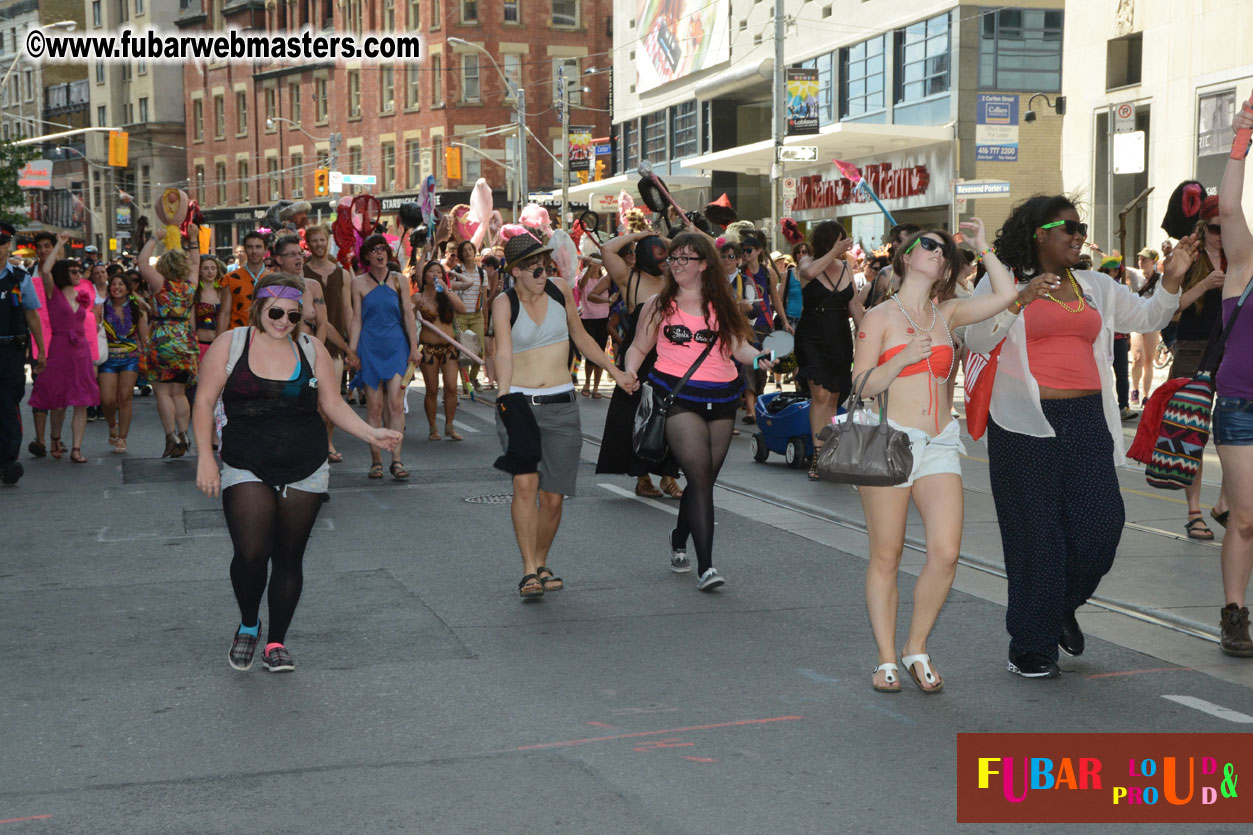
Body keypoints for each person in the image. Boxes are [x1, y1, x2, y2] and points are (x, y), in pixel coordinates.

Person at [964, 195, 1195, 679]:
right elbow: (977, 339)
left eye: (1081, 226)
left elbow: (1150, 317)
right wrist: (1017, 301)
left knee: (1101, 528)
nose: (1077, 234)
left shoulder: (1093, 286)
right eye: (1067, 227)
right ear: (1038, 233)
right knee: (1036, 539)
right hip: (1024, 422)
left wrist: (1171, 280)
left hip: (1087, 420)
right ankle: (1031, 644)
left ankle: (1055, 608)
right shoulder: (1001, 281)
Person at [193, 273, 402, 673]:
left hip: (305, 463)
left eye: (293, 316)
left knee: (289, 558)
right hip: (245, 460)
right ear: (258, 307)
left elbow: (333, 405)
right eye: (275, 312)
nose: (283, 322)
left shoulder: (312, 348)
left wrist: (370, 434)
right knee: (252, 554)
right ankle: (249, 624)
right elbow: (204, 402)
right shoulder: (231, 344)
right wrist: (205, 456)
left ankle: (276, 641)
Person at [851, 220, 1018, 693]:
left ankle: (915, 647)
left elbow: (1006, 296)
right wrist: (901, 359)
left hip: (940, 439)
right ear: (905, 257)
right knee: (887, 554)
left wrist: (983, 247)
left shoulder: (947, 313)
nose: (937, 252)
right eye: (928, 245)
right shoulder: (879, 317)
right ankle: (885, 657)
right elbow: (861, 387)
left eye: (944, 250)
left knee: (945, 553)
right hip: (890, 440)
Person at [492, 234, 637, 598]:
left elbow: (582, 337)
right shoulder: (503, 303)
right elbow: (504, 353)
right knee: (525, 486)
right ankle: (528, 569)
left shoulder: (559, 290)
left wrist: (615, 372)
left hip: (561, 402)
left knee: (553, 496)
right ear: (517, 272)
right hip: (521, 403)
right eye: (535, 266)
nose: (544, 271)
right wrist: (503, 396)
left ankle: (541, 560)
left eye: (546, 263)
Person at [625, 232, 770, 590]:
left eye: (684, 259)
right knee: (700, 479)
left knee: (702, 481)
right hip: (678, 398)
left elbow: (740, 348)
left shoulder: (722, 304)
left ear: (704, 264)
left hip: (722, 399)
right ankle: (706, 566)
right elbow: (639, 348)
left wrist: (761, 358)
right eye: (672, 258)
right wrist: (628, 373)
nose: (675, 264)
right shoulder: (658, 305)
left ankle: (678, 537)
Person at [594, 231, 684, 499]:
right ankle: (642, 477)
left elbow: (695, 251)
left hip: (673, 353)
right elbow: (607, 249)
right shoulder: (628, 278)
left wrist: (663, 238)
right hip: (640, 355)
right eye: (657, 253)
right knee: (636, 416)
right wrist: (641, 234)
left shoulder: (674, 278)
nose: (665, 260)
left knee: (676, 414)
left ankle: (669, 476)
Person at [1214, 106, 1253, 656]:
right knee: (1245, 517)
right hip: (1241, 406)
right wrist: (1242, 136)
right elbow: (1227, 206)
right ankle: (1234, 615)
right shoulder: (1244, 267)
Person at [1171, 205, 1232, 540]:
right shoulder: (1189, 257)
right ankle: (1193, 511)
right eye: (1215, 229)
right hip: (1193, 349)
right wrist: (1206, 283)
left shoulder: (1240, 255)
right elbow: (1171, 307)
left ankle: (1225, 502)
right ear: (1203, 227)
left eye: (1228, 228)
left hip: (1234, 350)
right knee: (1189, 431)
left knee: (1236, 430)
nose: (1221, 236)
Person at [348, 234, 420, 479]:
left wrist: (414, 347)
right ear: (366, 256)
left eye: (383, 249)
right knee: (375, 407)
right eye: (374, 250)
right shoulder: (357, 283)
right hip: (369, 346)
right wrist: (352, 350)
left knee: (396, 404)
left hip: (396, 346)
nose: (379, 254)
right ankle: (376, 460)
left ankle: (397, 460)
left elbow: (409, 317)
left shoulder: (400, 279)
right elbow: (356, 319)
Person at [797, 221, 864, 479]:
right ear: (826, 242)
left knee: (835, 397)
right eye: (837, 240)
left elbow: (856, 308)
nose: (842, 245)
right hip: (812, 337)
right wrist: (832, 252)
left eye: (844, 240)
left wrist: (868, 340)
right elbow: (810, 273)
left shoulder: (847, 267)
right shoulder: (807, 262)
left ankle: (829, 453)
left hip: (839, 337)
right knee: (820, 396)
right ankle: (818, 456)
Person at [28, 241, 99, 464]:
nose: (79, 274)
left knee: (82, 400)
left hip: (81, 351)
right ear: (64, 274)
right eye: (74, 271)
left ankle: (76, 448)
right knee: (59, 399)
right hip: (59, 349)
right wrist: (60, 243)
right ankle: (55, 437)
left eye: (79, 271)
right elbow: (46, 270)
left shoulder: (82, 295)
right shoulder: (52, 292)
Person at [138, 227, 201, 458]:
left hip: (163, 339)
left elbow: (142, 262)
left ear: (164, 266)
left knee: (163, 392)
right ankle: (185, 434)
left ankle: (170, 436)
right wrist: (193, 239)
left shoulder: (160, 284)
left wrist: (155, 238)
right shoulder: (190, 285)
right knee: (179, 392)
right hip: (185, 339)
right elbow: (196, 263)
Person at [302, 224, 354, 460]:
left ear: (328, 241)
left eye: (322, 240)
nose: (319, 244)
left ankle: (328, 443)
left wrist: (352, 343)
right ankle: (311, 444)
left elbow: (347, 308)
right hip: (306, 345)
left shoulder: (341, 273)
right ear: (308, 244)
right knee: (309, 401)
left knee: (331, 399)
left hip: (334, 346)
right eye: (314, 241)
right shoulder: (301, 274)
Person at [0, 222, 45, 485]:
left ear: (9, 245)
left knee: (8, 405)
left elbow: (32, 314)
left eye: (3, 241)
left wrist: (40, 351)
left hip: (11, 352)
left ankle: (8, 462)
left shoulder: (20, 278)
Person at [412, 259, 467, 440]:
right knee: (432, 389)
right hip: (429, 349)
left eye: (438, 272)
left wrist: (447, 290)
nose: (435, 275)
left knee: (451, 387)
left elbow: (462, 309)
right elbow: (407, 318)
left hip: (449, 347)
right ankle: (433, 427)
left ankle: (449, 426)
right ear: (424, 276)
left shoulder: (446, 295)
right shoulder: (418, 297)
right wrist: (415, 308)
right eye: (431, 272)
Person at [98, 273, 148, 453]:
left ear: (127, 289)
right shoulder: (102, 308)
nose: (116, 287)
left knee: (125, 397)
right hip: (108, 358)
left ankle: (122, 438)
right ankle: (113, 425)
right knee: (108, 400)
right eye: (113, 284)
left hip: (130, 357)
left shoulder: (136, 309)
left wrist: (146, 357)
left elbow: (144, 338)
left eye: (121, 284)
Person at [1096, 256, 1137, 421]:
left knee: (1122, 374)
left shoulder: (1121, 290)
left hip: (1119, 337)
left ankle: (1123, 406)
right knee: (1102, 373)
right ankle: (1102, 407)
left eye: (1109, 271)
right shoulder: (1097, 288)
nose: (1106, 274)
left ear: (1116, 272)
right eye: (1103, 271)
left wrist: (1127, 337)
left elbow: (1125, 314)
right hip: (1102, 336)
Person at [449, 240, 488, 389]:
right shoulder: (457, 271)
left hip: (477, 315)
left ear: (474, 251)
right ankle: (466, 385)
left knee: (480, 350)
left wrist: (485, 319)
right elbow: (451, 293)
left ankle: (472, 378)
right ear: (461, 253)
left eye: (470, 249)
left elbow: (484, 297)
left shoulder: (481, 272)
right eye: (464, 250)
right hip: (460, 316)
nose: (467, 252)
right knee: (464, 353)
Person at [218, 231, 272, 333]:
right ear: (245, 249)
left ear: (265, 249)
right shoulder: (230, 278)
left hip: (266, 335)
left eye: (258, 247)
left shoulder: (274, 279)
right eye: (250, 247)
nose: (254, 251)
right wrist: (219, 342)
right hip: (238, 333)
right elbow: (224, 313)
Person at [1129, 247, 1162, 405]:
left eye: (1144, 259)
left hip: (1152, 322)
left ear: (1153, 261)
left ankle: (1146, 395)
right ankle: (1134, 388)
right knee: (1138, 357)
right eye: (1140, 258)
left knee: (1149, 360)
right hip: (1136, 320)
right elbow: (1117, 265)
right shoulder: (1134, 274)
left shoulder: (1160, 279)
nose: (1140, 261)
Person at [577, 262, 612, 398]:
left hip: (602, 317)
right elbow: (581, 285)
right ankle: (587, 384)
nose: (595, 265)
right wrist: (589, 268)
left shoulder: (605, 280)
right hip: (587, 317)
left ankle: (596, 387)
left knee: (600, 352)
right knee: (590, 352)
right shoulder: (583, 277)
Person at [194, 255, 226, 361]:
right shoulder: (195, 294)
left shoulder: (223, 292)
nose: (210, 272)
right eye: (205, 268)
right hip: (202, 343)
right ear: (199, 271)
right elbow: (191, 323)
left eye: (213, 268)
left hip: (221, 343)